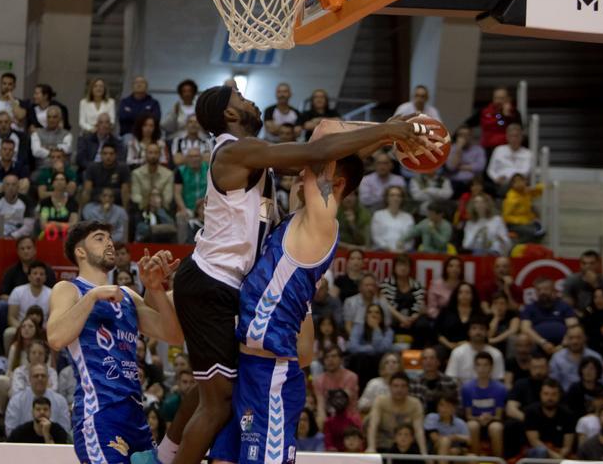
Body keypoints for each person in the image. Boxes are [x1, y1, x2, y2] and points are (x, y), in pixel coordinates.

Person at [161, 85, 439, 464]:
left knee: (216, 396)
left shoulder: (315, 217)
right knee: (215, 399)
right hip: (214, 284)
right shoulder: (240, 152)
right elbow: (320, 148)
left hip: (263, 349)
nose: (250, 101)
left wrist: (386, 133)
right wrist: (387, 130)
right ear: (228, 115)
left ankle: (164, 454)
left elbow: (326, 155)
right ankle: (162, 456)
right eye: (240, 99)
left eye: (316, 177)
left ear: (332, 186)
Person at [208, 154, 364, 463]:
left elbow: (325, 135)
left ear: (335, 184)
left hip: (271, 377)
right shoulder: (295, 224)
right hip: (247, 371)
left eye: (311, 171)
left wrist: (391, 133)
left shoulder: (320, 225)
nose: (301, 171)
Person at [46, 221, 184, 463]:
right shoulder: (69, 289)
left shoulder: (128, 295)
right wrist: (93, 296)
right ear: (80, 251)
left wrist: (156, 288)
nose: (109, 242)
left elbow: (173, 336)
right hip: (100, 414)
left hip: (135, 416)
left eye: (109, 237)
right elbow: (56, 338)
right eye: (99, 238)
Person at [364, 371, 428, 454]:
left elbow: (419, 430)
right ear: (389, 387)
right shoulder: (380, 401)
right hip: (383, 443)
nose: (399, 390)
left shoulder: (415, 403)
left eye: (403, 386)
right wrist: (371, 447)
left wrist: (424, 453)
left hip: (407, 445)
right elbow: (373, 426)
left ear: (408, 388)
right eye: (395, 386)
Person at [380, 254, 433, 348]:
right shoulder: (386, 284)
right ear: (394, 268)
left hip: (412, 320)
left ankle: (416, 351)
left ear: (410, 268)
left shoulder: (417, 285)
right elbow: (386, 305)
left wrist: (411, 319)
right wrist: (401, 318)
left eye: (406, 265)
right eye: (400, 265)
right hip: (394, 318)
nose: (403, 268)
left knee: (423, 323)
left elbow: (420, 306)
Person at [462, 351, 506, 456]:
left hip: (493, 421)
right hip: (475, 420)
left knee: (496, 428)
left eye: (485, 365)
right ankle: (474, 460)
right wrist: (478, 419)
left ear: (491, 367)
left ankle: (498, 461)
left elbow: (499, 415)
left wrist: (490, 418)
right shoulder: (467, 388)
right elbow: (468, 415)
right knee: (472, 426)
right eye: (479, 365)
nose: (482, 369)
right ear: (475, 367)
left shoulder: (500, 388)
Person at [521, 276, 579, 353]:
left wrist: (563, 345)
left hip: (564, 346)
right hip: (537, 345)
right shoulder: (529, 308)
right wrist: (543, 343)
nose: (542, 292)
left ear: (553, 291)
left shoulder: (564, 306)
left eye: (545, 289)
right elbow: (525, 328)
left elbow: (573, 327)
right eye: (539, 290)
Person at [524, 379, 576, 459]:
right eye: (546, 394)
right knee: (541, 452)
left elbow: (567, 446)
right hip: (536, 451)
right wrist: (554, 456)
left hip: (558, 451)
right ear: (540, 394)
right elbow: (534, 441)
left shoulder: (567, 414)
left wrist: (561, 454)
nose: (550, 398)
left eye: (554, 394)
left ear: (559, 396)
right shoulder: (531, 412)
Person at [445, 316, 505, 382]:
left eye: (482, 329)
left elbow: (498, 380)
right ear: (468, 332)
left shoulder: (496, 354)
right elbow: (452, 379)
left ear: (487, 332)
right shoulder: (457, 352)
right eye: (474, 328)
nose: (478, 332)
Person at [549, 325, 603, 391]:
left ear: (585, 338)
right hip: (565, 398)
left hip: (591, 398)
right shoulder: (557, 358)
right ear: (566, 339)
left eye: (578, 337)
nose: (575, 341)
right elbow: (552, 383)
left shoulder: (596, 357)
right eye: (571, 338)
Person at [409, 347, 459, 414]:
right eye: (425, 358)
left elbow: (458, 406)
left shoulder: (450, 382)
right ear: (421, 363)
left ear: (438, 362)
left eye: (432, 358)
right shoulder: (413, 383)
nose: (428, 361)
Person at [486, 123, 532, 196]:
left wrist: (513, 179)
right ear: (507, 137)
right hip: (501, 183)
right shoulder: (498, 150)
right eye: (511, 136)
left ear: (521, 137)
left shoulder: (528, 153)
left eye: (516, 136)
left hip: (519, 183)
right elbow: (490, 170)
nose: (514, 139)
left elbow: (526, 171)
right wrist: (496, 178)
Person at [81, 141, 131, 206]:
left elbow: (125, 192)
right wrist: (82, 210)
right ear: (101, 155)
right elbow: (87, 191)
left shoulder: (123, 168)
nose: (108, 156)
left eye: (111, 154)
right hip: (96, 204)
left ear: (116, 155)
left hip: (116, 205)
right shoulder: (92, 167)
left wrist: (125, 212)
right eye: (105, 153)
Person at [436, 282, 483, 350]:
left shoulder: (479, 313)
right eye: (460, 292)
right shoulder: (446, 311)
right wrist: (449, 344)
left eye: (467, 292)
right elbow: (437, 332)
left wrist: (467, 343)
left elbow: (483, 333)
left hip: (472, 347)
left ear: (473, 295)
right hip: (447, 346)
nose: (464, 295)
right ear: (456, 295)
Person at [424, 393, 470, 462]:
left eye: (448, 406)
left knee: (472, 458)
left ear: (454, 408)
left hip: (455, 451)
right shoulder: (431, 417)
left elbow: (468, 443)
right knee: (445, 441)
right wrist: (451, 439)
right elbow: (434, 438)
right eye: (441, 405)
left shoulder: (460, 423)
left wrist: (457, 441)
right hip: (434, 451)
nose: (443, 409)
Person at [0, 174, 36, 239]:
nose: (10, 187)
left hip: (19, 231)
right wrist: (3, 234)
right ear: (3, 187)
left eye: (13, 184)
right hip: (1, 231)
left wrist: (13, 236)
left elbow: (28, 225)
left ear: (18, 187)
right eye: (7, 184)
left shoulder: (27, 201)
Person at [502, 173, 544, 244]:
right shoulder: (511, 198)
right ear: (512, 185)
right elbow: (506, 217)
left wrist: (531, 188)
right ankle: (516, 248)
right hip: (514, 224)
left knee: (541, 232)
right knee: (532, 232)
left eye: (521, 180)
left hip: (527, 221)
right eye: (516, 181)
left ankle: (530, 249)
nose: (519, 183)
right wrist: (522, 221)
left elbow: (541, 189)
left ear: (525, 181)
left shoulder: (526, 192)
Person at [371, 186, 415, 252]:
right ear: (386, 198)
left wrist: (403, 249)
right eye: (392, 195)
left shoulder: (408, 217)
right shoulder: (378, 215)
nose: (395, 198)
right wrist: (388, 249)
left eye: (398, 195)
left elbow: (410, 238)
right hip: (382, 251)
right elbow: (376, 237)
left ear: (402, 199)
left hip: (403, 252)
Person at [478, 86, 521, 152]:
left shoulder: (514, 112)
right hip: (488, 148)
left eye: (501, 98)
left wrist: (507, 116)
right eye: (496, 98)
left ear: (508, 99)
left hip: (508, 148)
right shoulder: (485, 111)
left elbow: (516, 129)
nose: (498, 101)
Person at [445, 126, 486, 196]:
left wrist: (460, 167)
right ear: (457, 137)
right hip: (454, 182)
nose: (464, 137)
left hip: (472, 182)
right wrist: (459, 149)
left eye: (466, 135)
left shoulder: (478, 149)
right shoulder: (451, 149)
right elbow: (451, 167)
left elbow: (480, 167)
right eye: (461, 135)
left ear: (471, 136)